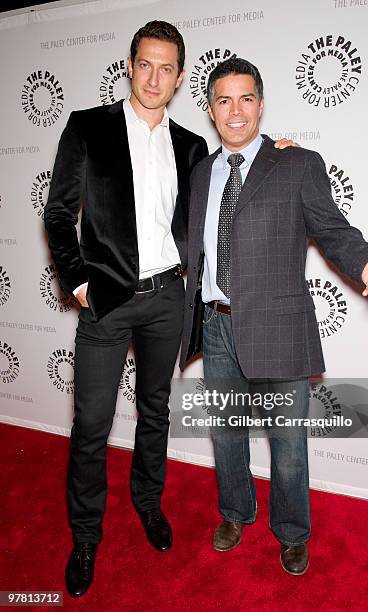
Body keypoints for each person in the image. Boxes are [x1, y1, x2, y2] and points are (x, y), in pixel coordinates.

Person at [180, 57, 368, 576]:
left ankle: (292, 532)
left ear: (260, 105)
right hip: (217, 326)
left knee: (287, 444)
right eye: (223, 100)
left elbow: (331, 229)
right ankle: (235, 513)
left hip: (279, 327)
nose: (235, 111)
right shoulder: (199, 174)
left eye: (245, 99)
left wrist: (365, 256)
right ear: (211, 109)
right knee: (227, 433)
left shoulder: (297, 164)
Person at [44, 21, 208, 598]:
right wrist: (80, 283)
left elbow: (217, 207)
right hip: (107, 300)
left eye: (167, 68)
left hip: (168, 298)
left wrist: (279, 151)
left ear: (180, 77)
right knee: (90, 425)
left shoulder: (191, 147)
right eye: (146, 64)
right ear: (129, 66)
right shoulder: (89, 128)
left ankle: (148, 504)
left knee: (156, 411)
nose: (155, 77)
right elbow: (59, 214)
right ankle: (85, 535)